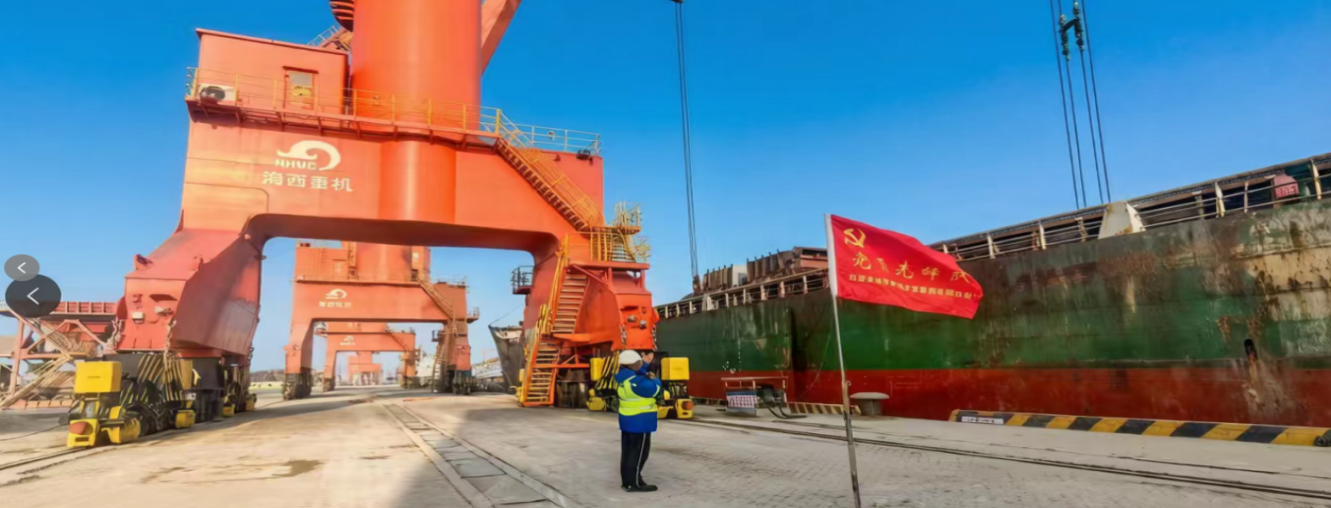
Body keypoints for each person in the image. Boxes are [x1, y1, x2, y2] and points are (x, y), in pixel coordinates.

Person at [615, 349, 661, 492]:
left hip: (628, 421)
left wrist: (645, 365)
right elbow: (656, 388)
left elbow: (638, 373)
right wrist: (654, 378)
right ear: (634, 364)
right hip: (640, 421)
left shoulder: (622, 378)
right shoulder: (637, 382)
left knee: (628, 453)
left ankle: (627, 482)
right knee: (639, 454)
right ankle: (634, 484)